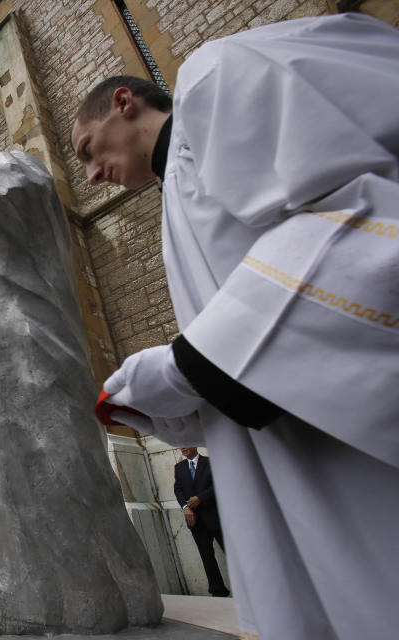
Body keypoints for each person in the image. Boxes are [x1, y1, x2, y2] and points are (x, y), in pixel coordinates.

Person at [72, 13, 399, 640]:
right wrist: (176, 406)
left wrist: (186, 367)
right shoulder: (173, 204)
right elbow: (252, 362)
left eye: (89, 149)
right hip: (294, 456)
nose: (90, 176)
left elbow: (355, 218)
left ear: (124, 103)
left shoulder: (212, 80)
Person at [173, 446, 228, 597]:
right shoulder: (179, 467)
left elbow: (218, 485)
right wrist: (185, 507)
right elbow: (178, 489)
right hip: (195, 520)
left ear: (195, 445)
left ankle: (245, 585)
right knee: (206, 556)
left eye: (186, 443)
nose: (183, 447)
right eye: (180, 444)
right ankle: (218, 591)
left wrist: (201, 498)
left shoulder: (210, 463)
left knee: (230, 553)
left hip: (215, 517)